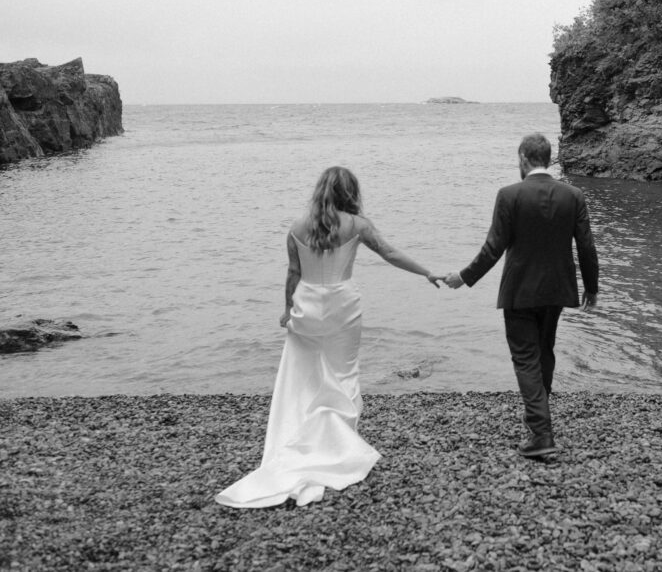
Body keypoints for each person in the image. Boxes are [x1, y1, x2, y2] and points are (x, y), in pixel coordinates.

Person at [216, 166, 443, 508]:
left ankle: (304, 437)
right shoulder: (357, 225)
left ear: (321, 189)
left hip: (306, 305)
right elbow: (390, 253)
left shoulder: (297, 227)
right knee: (343, 372)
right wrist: (426, 271)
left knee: (305, 376)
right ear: (350, 192)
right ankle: (339, 442)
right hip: (342, 306)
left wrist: (287, 308)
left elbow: (293, 273)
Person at [444, 133, 598, 458]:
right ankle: (539, 416)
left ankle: (541, 433)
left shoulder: (509, 195)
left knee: (526, 358)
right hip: (558, 289)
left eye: (519, 159)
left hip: (520, 290)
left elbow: (493, 247)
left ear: (524, 159)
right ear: (548, 159)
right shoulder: (573, 195)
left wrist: (464, 277)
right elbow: (586, 246)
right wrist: (592, 287)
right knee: (544, 351)